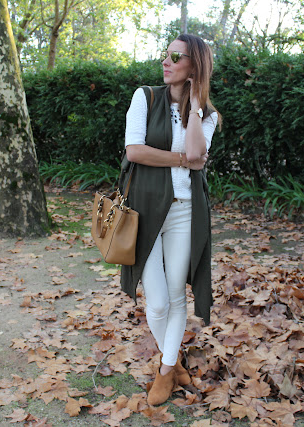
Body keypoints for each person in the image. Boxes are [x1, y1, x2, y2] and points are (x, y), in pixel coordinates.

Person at [118, 34, 221, 406]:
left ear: (194, 66)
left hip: (184, 211)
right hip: (145, 210)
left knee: (177, 295)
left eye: (176, 57)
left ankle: (165, 370)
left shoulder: (208, 115)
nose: (166, 62)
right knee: (158, 302)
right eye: (166, 55)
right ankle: (173, 359)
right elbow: (135, 151)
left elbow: (197, 153)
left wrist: (194, 107)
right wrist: (180, 161)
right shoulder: (144, 97)